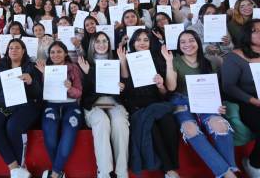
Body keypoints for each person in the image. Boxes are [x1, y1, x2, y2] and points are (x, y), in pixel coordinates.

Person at [161, 30, 238, 178]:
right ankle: (228, 173)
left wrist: (218, 105)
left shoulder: (209, 62)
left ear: (197, 42)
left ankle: (228, 173)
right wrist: (169, 63)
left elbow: (214, 89)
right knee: (189, 129)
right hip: (180, 100)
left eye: (191, 40)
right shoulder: (175, 61)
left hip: (205, 101)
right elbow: (170, 87)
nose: (187, 44)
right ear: (178, 45)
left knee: (220, 125)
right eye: (183, 42)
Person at [0, 39, 43, 178]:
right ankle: (14, 167)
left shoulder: (31, 67)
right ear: (7, 51)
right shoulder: (0, 66)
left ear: (23, 51)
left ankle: (21, 166)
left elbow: (39, 93)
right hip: (5, 105)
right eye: (11, 48)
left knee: (13, 126)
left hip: (27, 105)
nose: (14, 50)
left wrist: (31, 82)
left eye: (17, 48)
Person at [124, 29, 179, 177]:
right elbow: (125, 90)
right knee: (151, 125)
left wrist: (161, 86)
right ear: (133, 42)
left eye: (146, 40)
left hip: (156, 104)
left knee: (169, 122)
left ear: (150, 43)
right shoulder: (126, 59)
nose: (142, 43)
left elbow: (166, 92)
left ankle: (171, 167)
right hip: (136, 106)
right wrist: (123, 62)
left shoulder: (157, 59)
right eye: (138, 39)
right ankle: (169, 170)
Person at [78, 32, 129, 178]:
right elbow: (84, 92)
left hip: (113, 102)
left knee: (119, 122)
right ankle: (104, 171)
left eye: (105, 41)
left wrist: (122, 86)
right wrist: (88, 73)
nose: (101, 44)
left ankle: (121, 172)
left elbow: (126, 84)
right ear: (92, 44)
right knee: (102, 121)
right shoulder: (84, 62)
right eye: (98, 41)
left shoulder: (116, 61)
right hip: (94, 104)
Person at [35, 41, 83, 178]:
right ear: (49, 55)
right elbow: (39, 93)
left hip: (71, 105)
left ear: (65, 53)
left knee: (69, 130)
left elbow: (79, 92)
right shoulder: (45, 68)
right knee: (49, 132)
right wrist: (44, 75)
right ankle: (58, 171)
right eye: (52, 52)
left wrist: (70, 88)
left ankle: (55, 173)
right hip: (51, 105)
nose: (55, 55)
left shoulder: (73, 68)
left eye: (59, 51)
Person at [221, 19, 260, 177]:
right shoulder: (234, 57)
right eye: (255, 30)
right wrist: (254, 101)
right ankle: (253, 163)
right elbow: (229, 87)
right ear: (246, 34)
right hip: (247, 101)